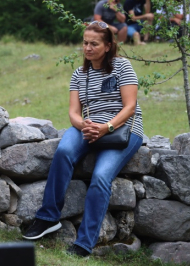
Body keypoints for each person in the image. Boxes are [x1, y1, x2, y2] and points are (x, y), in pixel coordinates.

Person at [22, 21, 143, 257]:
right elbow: (73, 113)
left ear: (108, 46)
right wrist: (84, 125)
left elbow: (130, 107)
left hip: (122, 129)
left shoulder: (122, 67)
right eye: (85, 43)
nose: (87, 48)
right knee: (64, 151)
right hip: (88, 128)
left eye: (94, 44)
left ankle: (84, 243)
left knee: (101, 176)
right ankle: (48, 217)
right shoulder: (79, 74)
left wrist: (105, 128)